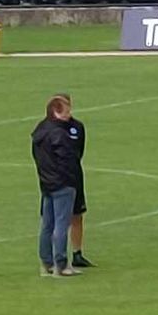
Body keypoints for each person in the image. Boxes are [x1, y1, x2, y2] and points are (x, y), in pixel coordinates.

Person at [31, 96, 83, 277]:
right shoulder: (60, 135)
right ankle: (61, 264)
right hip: (63, 184)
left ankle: (46, 263)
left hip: (46, 183)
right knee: (61, 224)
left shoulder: (39, 131)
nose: (70, 116)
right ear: (56, 112)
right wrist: (71, 180)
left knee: (47, 224)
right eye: (66, 112)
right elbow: (69, 160)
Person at [56, 93, 94, 268]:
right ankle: (57, 255)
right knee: (58, 218)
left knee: (77, 215)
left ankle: (77, 253)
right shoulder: (49, 128)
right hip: (56, 179)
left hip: (75, 177)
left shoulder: (77, 127)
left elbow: (79, 151)